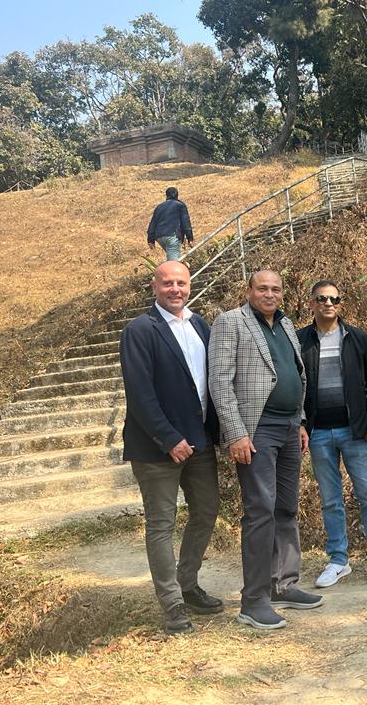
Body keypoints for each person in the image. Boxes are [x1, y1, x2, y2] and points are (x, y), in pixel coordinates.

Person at [208, 269, 323, 630]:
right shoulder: (231, 322)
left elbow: (296, 374)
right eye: (262, 288)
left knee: (286, 508)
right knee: (260, 511)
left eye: (275, 289)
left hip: (289, 428)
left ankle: (283, 584)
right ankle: (253, 599)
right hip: (256, 430)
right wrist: (236, 434)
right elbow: (220, 381)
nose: (269, 294)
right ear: (249, 290)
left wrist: (301, 421)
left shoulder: (286, 325)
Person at [119, 260, 222, 635]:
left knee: (207, 510)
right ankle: (173, 604)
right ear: (154, 286)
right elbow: (140, 393)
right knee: (161, 525)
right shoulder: (140, 330)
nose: (175, 289)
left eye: (181, 283)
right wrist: (168, 438)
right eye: (168, 283)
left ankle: (188, 583)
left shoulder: (200, 325)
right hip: (156, 448)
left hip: (200, 442)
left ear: (190, 285)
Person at [296, 280, 367, 588]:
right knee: (330, 499)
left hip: (354, 431)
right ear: (312, 303)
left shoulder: (356, 338)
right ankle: (338, 560)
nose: (329, 303)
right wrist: (301, 424)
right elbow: (292, 384)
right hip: (318, 433)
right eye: (322, 298)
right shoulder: (300, 339)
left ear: (340, 303)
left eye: (334, 299)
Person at [147, 186, 194, 262]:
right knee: (174, 262)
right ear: (177, 195)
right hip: (172, 236)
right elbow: (186, 222)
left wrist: (150, 240)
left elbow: (153, 223)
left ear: (166, 195)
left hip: (159, 237)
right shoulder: (180, 205)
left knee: (173, 257)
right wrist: (190, 239)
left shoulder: (159, 207)